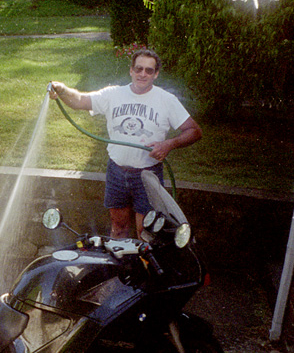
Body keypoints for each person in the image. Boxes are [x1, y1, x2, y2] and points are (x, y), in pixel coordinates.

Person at [49, 48, 202, 238]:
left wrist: (169, 144)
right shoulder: (113, 94)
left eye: (148, 70)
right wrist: (62, 90)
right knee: (118, 227)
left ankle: (142, 267)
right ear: (131, 70)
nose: (142, 74)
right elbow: (80, 100)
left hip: (148, 174)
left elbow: (194, 131)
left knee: (146, 233)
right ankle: (121, 266)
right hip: (117, 172)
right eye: (138, 69)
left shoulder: (167, 100)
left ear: (156, 74)